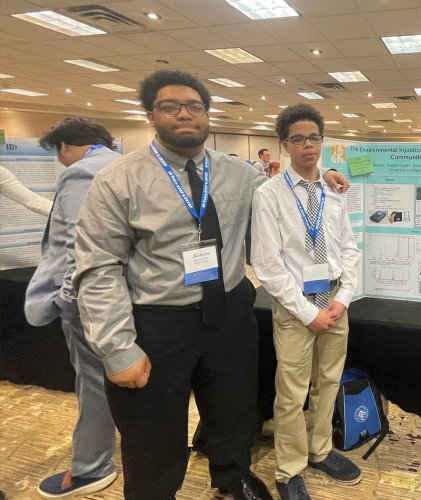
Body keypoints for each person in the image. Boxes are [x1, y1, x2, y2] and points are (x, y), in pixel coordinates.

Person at [72, 69, 347, 499]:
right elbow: (97, 268)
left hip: (229, 312)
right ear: (151, 114)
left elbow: (290, 186)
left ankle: (232, 475)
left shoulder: (239, 174)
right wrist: (117, 346)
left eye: (194, 106)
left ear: (206, 114)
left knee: (233, 407)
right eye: (170, 106)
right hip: (158, 319)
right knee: (154, 425)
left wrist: (322, 171)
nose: (184, 114)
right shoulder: (118, 180)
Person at [251, 103, 360, 500]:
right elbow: (266, 263)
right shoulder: (269, 195)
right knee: (292, 391)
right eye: (298, 138)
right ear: (284, 145)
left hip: (333, 298)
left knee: (329, 381)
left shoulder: (334, 190)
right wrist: (307, 311)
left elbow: (348, 248)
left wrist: (343, 298)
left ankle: (320, 450)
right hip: (296, 303)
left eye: (314, 137)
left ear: (322, 141)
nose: (308, 145)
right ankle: (289, 468)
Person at [25, 117, 120, 498]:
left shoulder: (81, 173)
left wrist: (68, 297)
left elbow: (78, 245)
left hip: (90, 301)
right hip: (130, 297)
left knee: (93, 383)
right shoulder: (129, 166)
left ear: (65, 146)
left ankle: (91, 467)